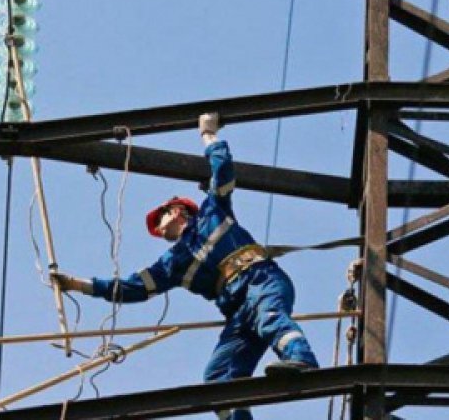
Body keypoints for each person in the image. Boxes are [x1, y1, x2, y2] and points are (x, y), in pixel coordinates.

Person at [53, 113, 319, 420]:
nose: (158, 226)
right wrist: (79, 285)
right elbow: (132, 288)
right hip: (238, 310)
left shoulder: (212, 212)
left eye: (161, 216)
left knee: (269, 318)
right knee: (218, 378)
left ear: (179, 210)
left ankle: (302, 361)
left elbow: (223, 169)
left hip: (260, 280)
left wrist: (208, 134)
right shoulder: (174, 263)